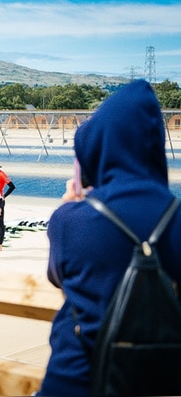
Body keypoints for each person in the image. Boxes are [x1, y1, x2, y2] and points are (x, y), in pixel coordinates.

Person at [39, 80, 181, 396]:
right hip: (162, 383)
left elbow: (58, 278)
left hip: (76, 380)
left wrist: (70, 207)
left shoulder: (70, 221)